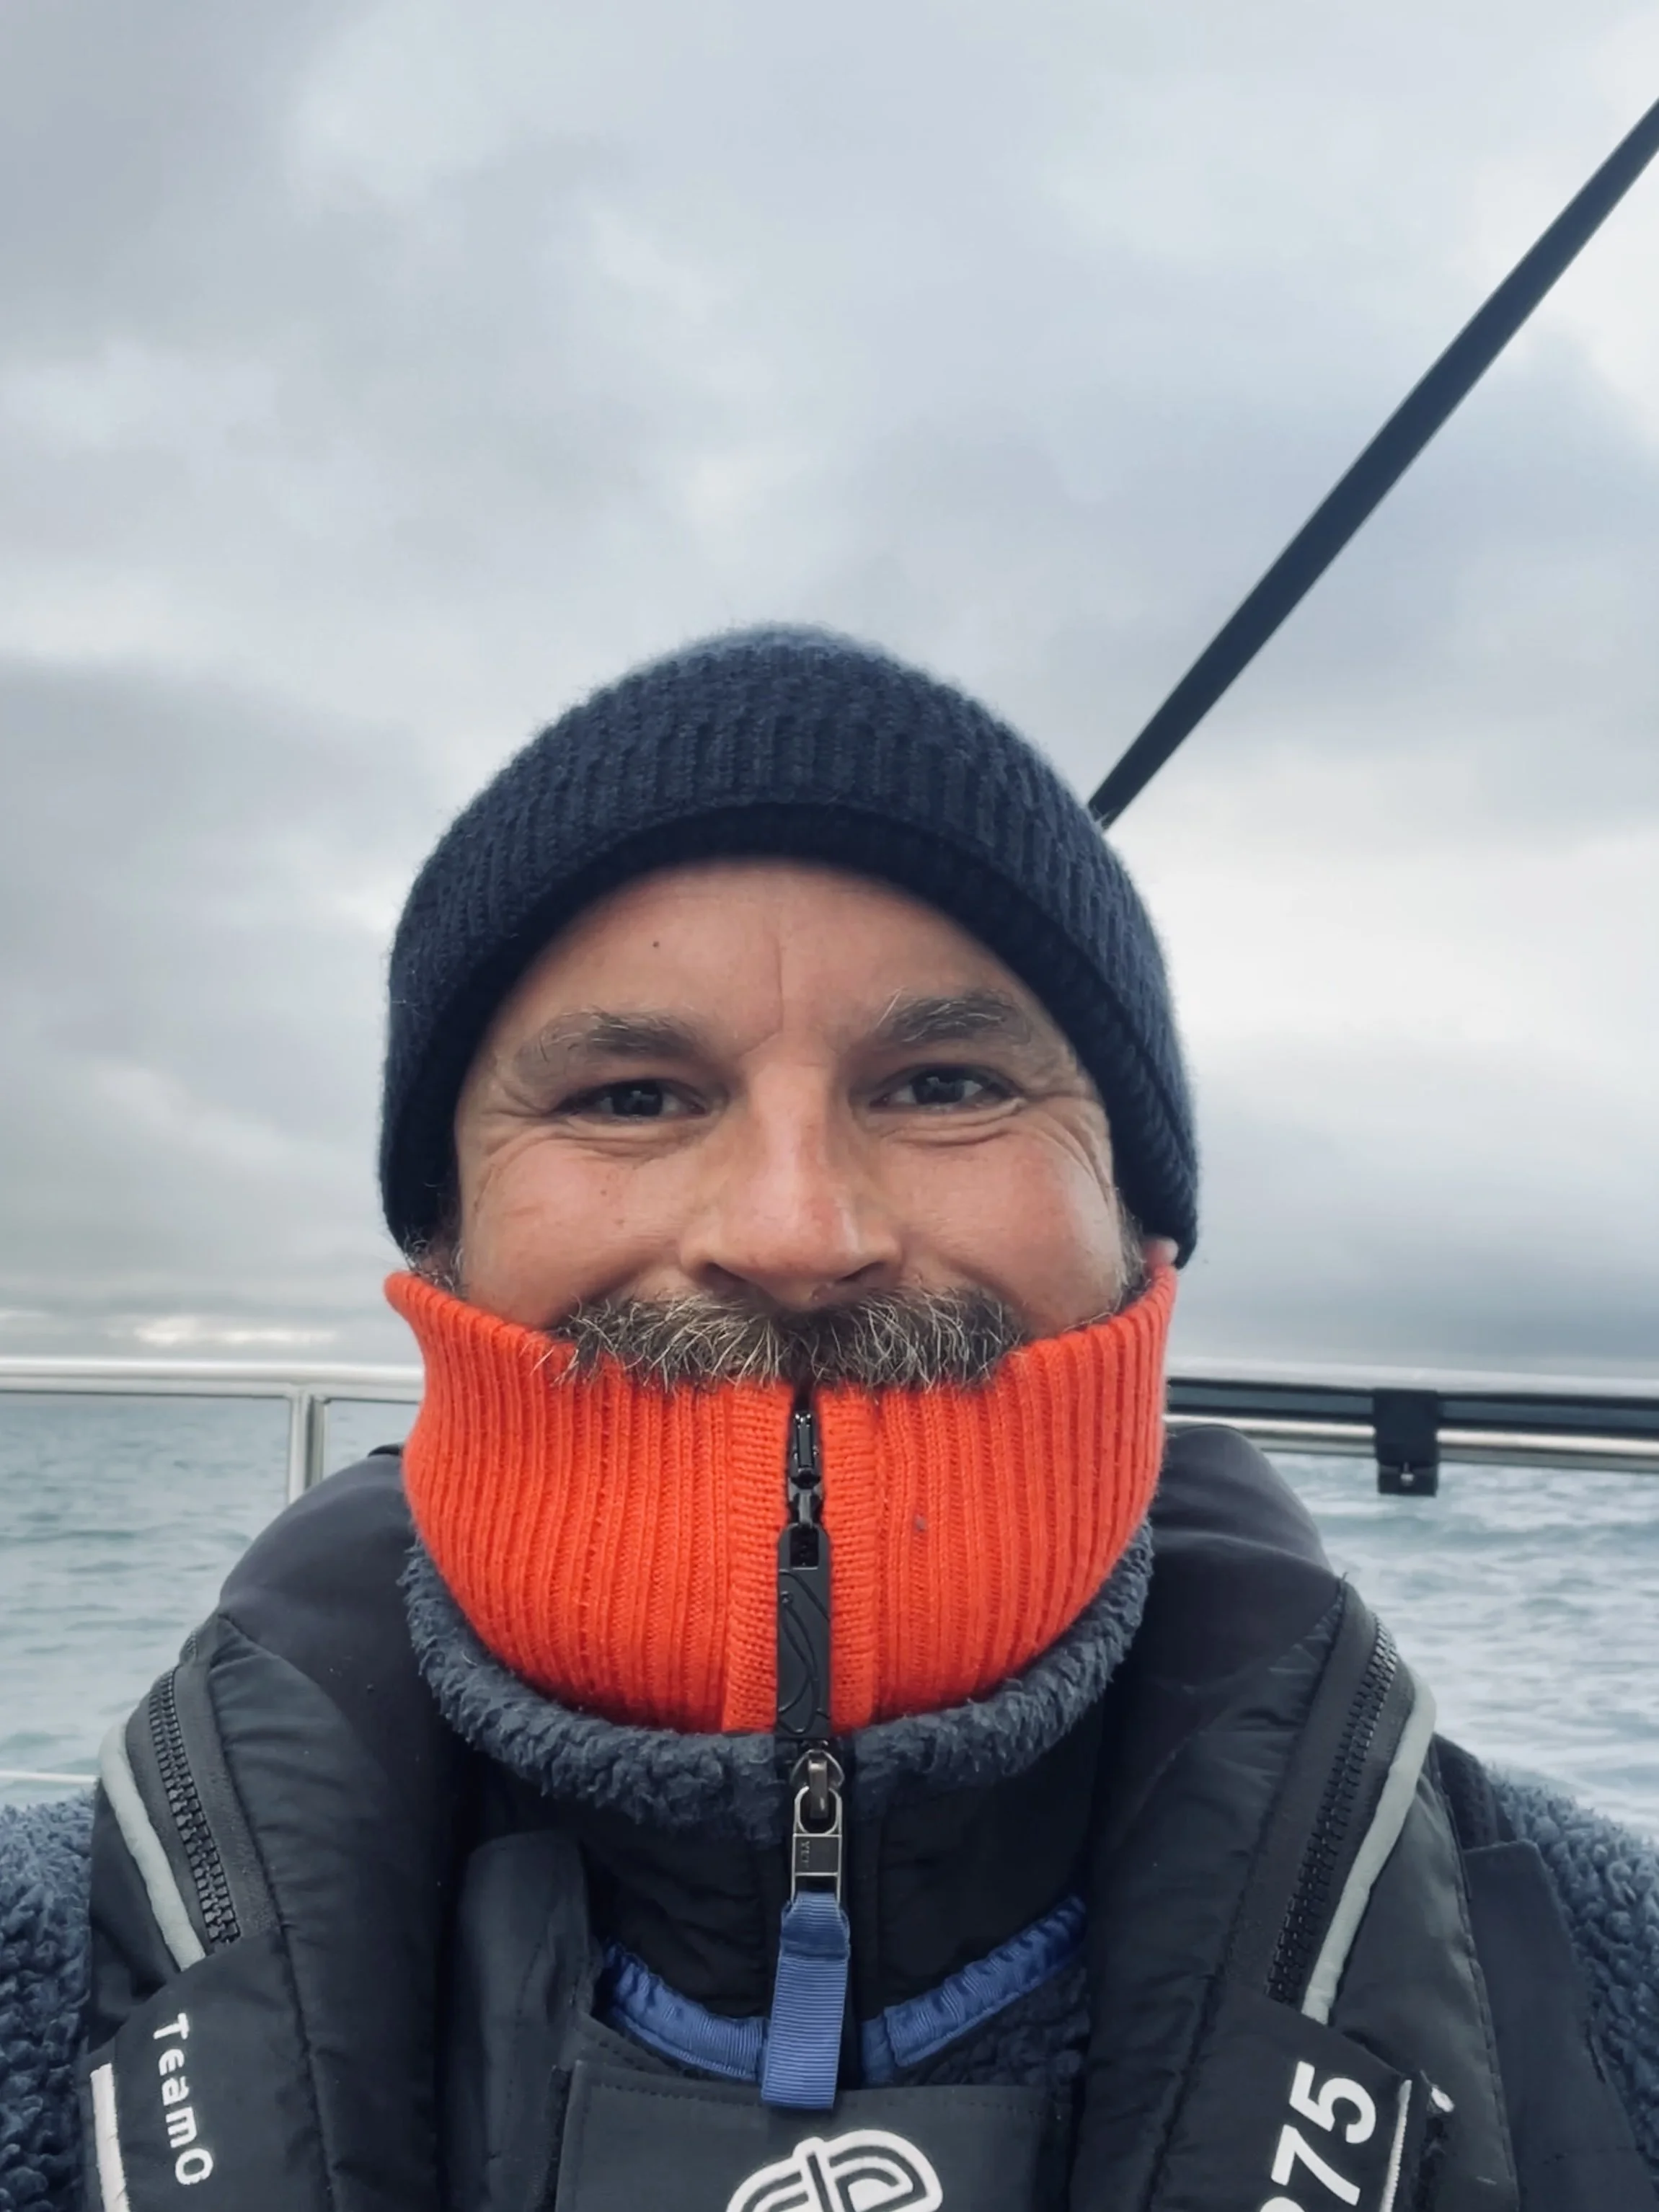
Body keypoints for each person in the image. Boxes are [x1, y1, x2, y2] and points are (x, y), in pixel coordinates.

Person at [2, 628, 1656, 2212]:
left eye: (944, 1083)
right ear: (440, 1234)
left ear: (1142, 1228)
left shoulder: (1600, 1973)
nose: (797, 1230)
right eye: (630, 1096)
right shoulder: (42, 1955)